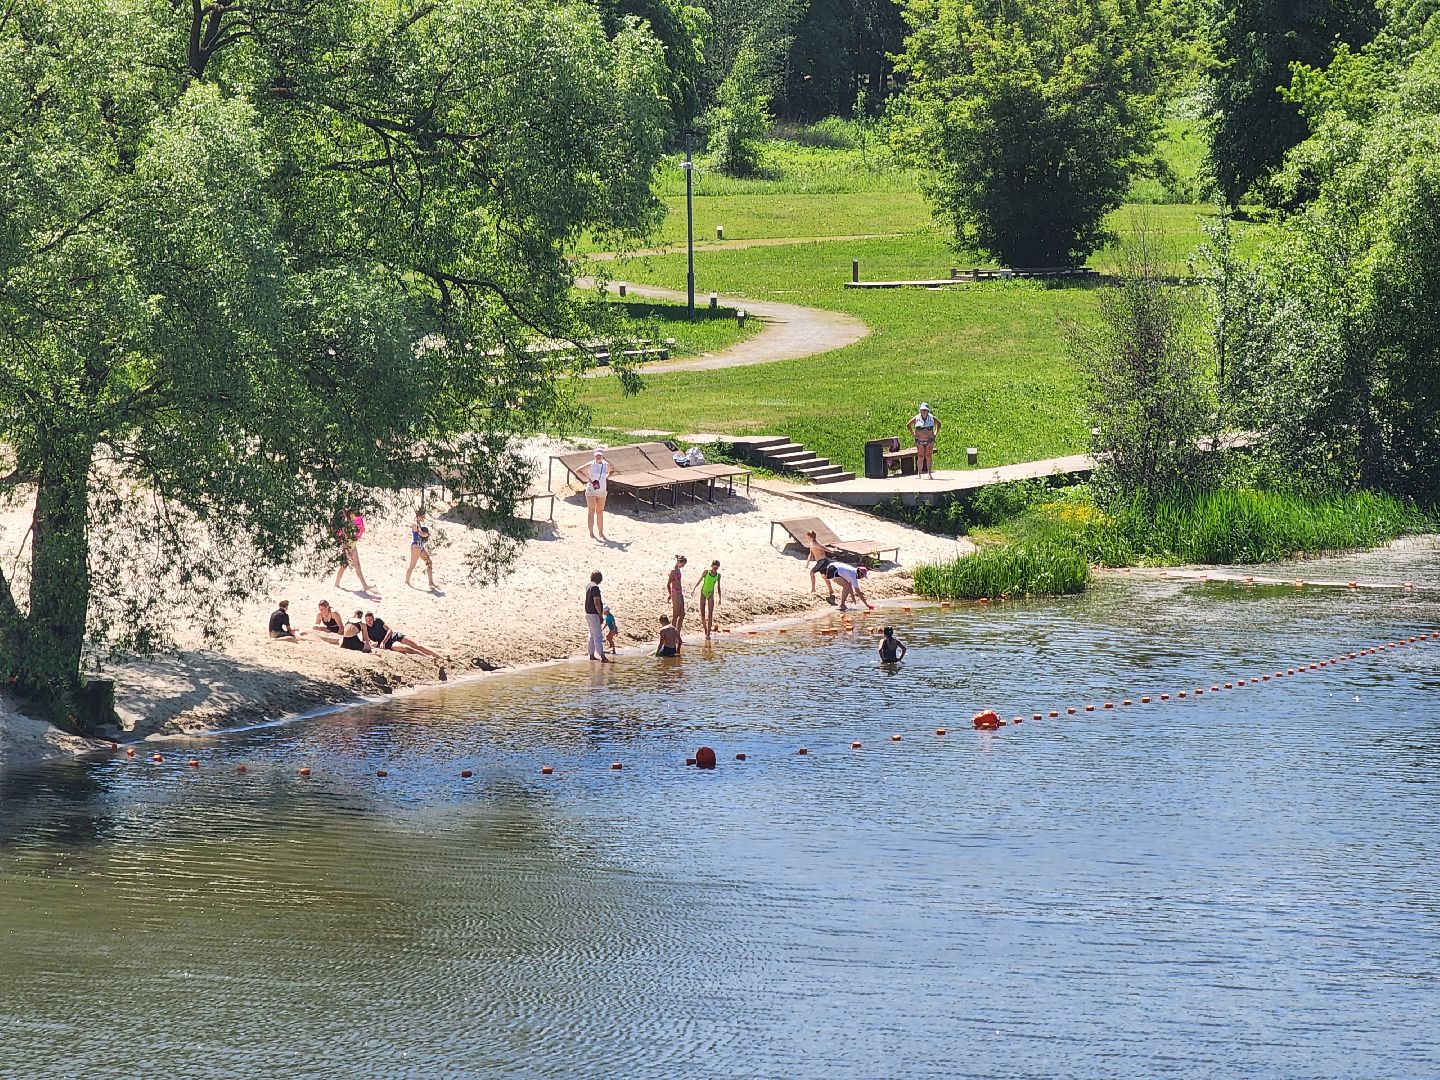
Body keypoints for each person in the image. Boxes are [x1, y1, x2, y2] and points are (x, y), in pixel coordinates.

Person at [363, 612, 444, 663]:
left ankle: (441, 657)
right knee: (407, 648)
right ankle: (428, 657)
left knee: (417, 645)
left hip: (393, 636)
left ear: (373, 619)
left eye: (370, 620)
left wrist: (383, 641)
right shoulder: (365, 628)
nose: (369, 622)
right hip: (389, 644)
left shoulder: (378, 621)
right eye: (367, 620)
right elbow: (366, 641)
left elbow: (390, 630)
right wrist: (375, 644)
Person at [334, 508, 374, 594]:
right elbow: (343, 539)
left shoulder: (355, 523)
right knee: (344, 565)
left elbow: (360, 528)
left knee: (357, 566)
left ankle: (365, 585)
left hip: (353, 546)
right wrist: (346, 551)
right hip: (347, 546)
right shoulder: (347, 525)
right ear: (351, 515)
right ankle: (336, 584)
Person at [585, 450, 615, 541]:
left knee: (600, 511)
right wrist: (588, 479)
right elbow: (578, 470)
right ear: (594, 456)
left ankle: (600, 532)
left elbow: (612, 470)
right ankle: (591, 532)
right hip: (592, 490)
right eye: (597, 455)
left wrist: (607, 476)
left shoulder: (605, 465)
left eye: (600, 455)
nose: (598, 457)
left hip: (602, 490)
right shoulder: (591, 464)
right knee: (591, 510)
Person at [907, 402, 941, 479]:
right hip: (920, 440)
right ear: (920, 411)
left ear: (928, 411)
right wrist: (913, 433)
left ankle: (929, 473)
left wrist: (935, 433)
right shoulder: (916, 418)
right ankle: (919, 473)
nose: (924, 412)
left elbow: (939, 424)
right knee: (920, 456)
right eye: (922, 410)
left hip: (929, 440)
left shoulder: (932, 418)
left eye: (925, 410)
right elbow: (908, 425)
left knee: (929, 456)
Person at [406, 509, 437, 589]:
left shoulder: (418, 524)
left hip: (420, 546)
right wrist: (427, 534)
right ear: (419, 516)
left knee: (429, 561)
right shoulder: (415, 524)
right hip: (416, 546)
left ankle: (430, 582)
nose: (424, 518)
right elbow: (421, 533)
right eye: (423, 516)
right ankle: (406, 581)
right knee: (412, 565)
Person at [691, 559, 722, 640]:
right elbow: (700, 580)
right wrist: (694, 588)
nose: (715, 569)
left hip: (710, 594)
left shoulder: (718, 575)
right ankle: (705, 630)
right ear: (711, 566)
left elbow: (718, 587)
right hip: (703, 593)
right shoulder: (706, 572)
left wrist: (720, 598)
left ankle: (708, 633)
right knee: (703, 613)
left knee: (710, 614)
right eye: (714, 567)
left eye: (716, 568)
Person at [585, 570, 610, 663]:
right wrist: (600, 615)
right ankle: (602, 656)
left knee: (591, 634)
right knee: (598, 635)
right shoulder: (595, 588)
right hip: (593, 614)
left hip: (587, 613)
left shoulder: (589, 585)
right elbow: (596, 602)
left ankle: (591, 654)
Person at [805, 530, 836, 601]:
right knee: (824, 576)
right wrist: (808, 561)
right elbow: (811, 553)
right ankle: (831, 590)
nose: (806, 537)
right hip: (821, 561)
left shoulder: (815, 544)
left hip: (823, 561)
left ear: (810, 537)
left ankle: (813, 589)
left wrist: (831, 551)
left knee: (812, 573)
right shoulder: (811, 543)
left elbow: (823, 548)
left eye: (807, 536)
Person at [666, 555, 687, 634]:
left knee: (682, 614)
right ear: (679, 562)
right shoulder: (673, 571)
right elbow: (668, 584)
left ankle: (677, 633)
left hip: (680, 592)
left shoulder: (678, 570)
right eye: (683, 564)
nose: (683, 566)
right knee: (675, 614)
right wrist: (670, 595)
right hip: (675, 593)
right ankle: (672, 634)